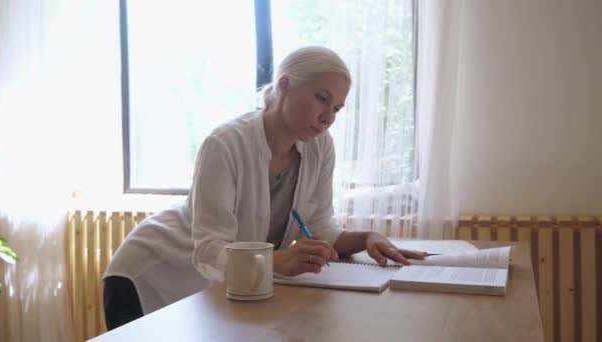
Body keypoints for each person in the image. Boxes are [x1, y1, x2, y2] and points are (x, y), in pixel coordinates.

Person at [102, 46, 426, 330]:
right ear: (284, 85)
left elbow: (319, 227)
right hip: (154, 271)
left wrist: (367, 238)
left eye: (337, 108)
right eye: (321, 98)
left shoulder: (319, 147)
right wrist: (276, 261)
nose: (328, 117)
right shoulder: (225, 144)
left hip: (220, 286)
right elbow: (209, 250)